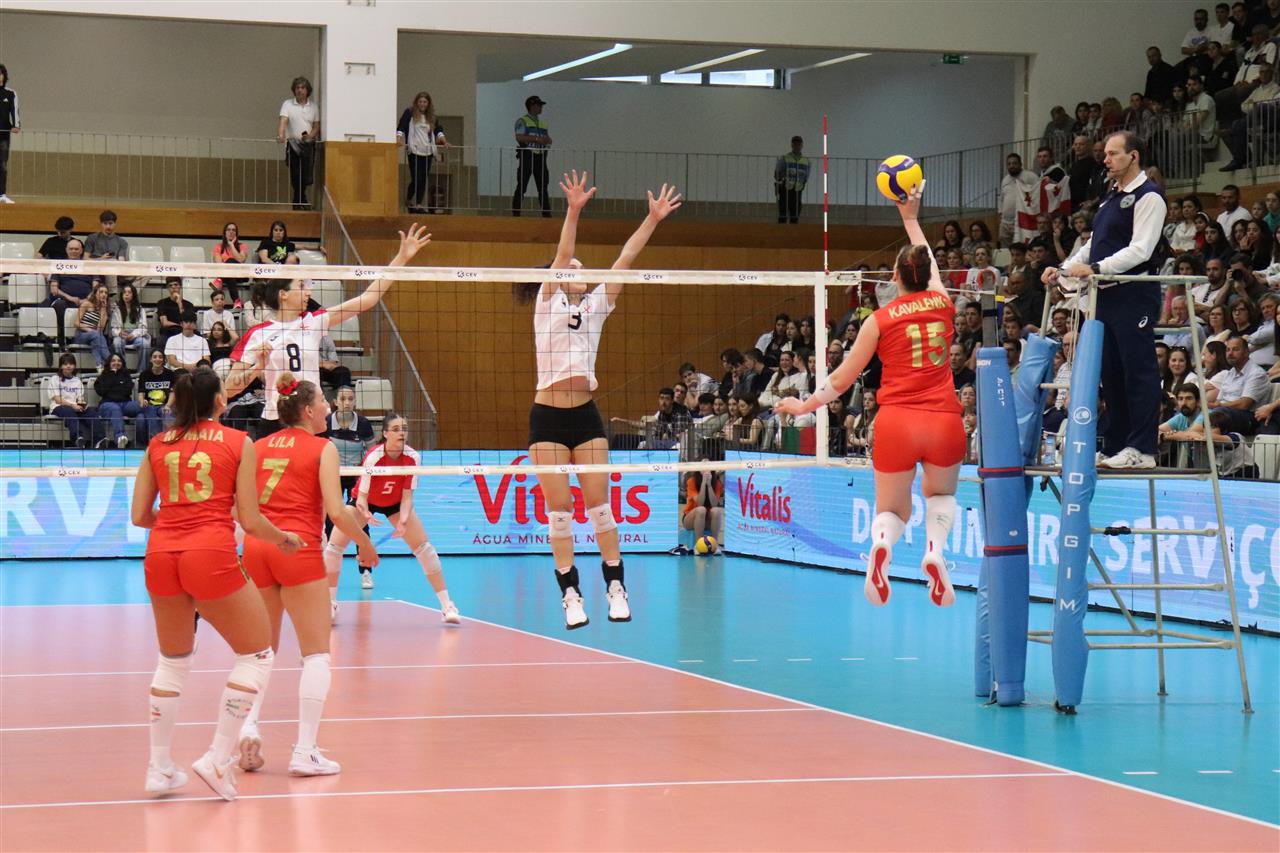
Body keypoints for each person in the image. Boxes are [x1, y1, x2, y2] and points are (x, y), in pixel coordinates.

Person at [776, 182, 964, 609]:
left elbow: (842, 379)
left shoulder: (879, 319)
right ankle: (935, 552)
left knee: (893, 511)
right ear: (926, 276)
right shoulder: (943, 303)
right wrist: (910, 217)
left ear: (894, 278)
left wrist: (805, 405)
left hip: (897, 422)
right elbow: (931, 266)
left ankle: (882, 545)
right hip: (943, 419)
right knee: (941, 496)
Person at [513, 169, 681, 629]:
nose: (579, 271)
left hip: (585, 417)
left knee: (600, 508)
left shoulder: (597, 306)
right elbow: (562, 254)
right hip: (547, 420)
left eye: (582, 268)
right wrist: (572, 211)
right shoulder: (547, 302)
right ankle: (570, 595)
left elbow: (626, 257)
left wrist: (652, 220)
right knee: (560, 514)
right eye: (572, 268)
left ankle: (616, 587)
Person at [129, 367, 302, 801]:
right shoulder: (238, 442)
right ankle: (217, 759)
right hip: (209, 553)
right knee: (257, 655)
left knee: (172, 661)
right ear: (220, 402)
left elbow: (139, 516)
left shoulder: (157, 444)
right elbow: (251, 520)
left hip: (161, 555)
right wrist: (283, 538)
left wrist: (177, 522)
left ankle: (158, 768)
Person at [236, 373, 378, 778]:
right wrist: (364, 544)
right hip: (296, 548)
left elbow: (240, 508)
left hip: (259, 547)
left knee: (261, 651)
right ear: (307, 410)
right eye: (322, 403)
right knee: (316, 654)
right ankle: (305, 751)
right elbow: (336, 512)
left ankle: (248, 726)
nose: (328, 407)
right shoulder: (323, 447)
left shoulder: (258, 445)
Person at [223, 224, 431, 440]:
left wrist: (401, 258)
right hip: (276, 420)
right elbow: (228, 389)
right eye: (301, 286)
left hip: (312, 420)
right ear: (283, 294)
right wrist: (258, 367)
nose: (308, 291)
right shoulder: (257, 334)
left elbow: (368, 299)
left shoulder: (314, 321)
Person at [1043, 131, 1169, 469]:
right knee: (1111, 375)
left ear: (1134, 156)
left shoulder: (1149, 196)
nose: (1106, 159)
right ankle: (1116, 446)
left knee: (1138, 371)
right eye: (1106, 154)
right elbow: (1093, 244)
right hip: (1104, 295)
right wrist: (1064, 269)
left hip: (1133, 293)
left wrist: (1096, 268)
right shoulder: (1110, 196)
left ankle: (1143, 449)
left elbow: (1141, 249)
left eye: (1114, 154)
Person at [323, 412, 458, 622]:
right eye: (395, 429)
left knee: (425, 549)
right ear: (385, 433)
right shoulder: (374, 456)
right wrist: (365, 515)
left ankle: (447, 606)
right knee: (334, 547)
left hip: (395, 503)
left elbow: (407, 496)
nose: (401, 433)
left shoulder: (413, 457)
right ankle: (330, 604)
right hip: (365, 502)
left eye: (404, 429)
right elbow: (362, 497)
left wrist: (403, 521)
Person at [396, 91, 448, 214]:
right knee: (416, 178)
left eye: (425, 102)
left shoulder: (432, 117)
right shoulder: (409, 113)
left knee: (423, 179)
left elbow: (438, 130)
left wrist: (444, 141)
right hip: (414, 151)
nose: (422, 104)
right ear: (416, 102)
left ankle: (419, 204)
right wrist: (398, 138)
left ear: (428, 103)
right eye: (420, 101)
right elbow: (401, 126)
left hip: (427, 152)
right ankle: (409, 199)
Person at [1206, 334, 1269, 433]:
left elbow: (1244, 404)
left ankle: (1206, 438)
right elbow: (1218, 401)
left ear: (1246, 352)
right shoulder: (1230, 373)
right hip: (1223, 412)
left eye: (1235, 349)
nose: (1230, 353)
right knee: (1200, 412)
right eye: (1228, 350)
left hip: (1247, 417)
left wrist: (1218, 406)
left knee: (1218, 414)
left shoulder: (1256, 373)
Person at [45, 238, 100, 346]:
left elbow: (96, 287)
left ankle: (87, 339)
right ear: (66, 250)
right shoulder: (59, 265)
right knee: (59, 305)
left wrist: (87, 299)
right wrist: (70, 298)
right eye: (71, 249)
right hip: (65, 301)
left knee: (98, 304)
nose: (73, 251)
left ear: (81, 251)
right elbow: (54, 289)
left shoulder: (89, 265)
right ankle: (62, 340)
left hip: (86, 301)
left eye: (76, 249)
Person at [278, 77, 320, 210]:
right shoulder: (288, 104)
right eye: (297, 88)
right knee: (296, 174)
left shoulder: (313, 106)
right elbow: (283, 121)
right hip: (293, 145)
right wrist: (281, 134)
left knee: (306, 175)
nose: (299, 90)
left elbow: (316, 126)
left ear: (307, 90)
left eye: (302, 88)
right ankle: (299, 202)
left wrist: (310, 136)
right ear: (294, 90)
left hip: (308, 146)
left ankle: (300, 200)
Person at [44, 353, 101, 448]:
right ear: (61, 366)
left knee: (91, 413)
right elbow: (57, 399)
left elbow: (80, 399)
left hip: (75, 407)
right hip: (59, 407)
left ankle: (100, 440)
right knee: (68, 410)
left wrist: (82, 406)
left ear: (74, 366)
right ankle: (78, 438)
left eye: (71, 364)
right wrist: (72, 405)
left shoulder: (77, 381)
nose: (68, 366)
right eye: (65, 364)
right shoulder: (54, 379)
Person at [512, 95, 551, 217]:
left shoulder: (542, 123)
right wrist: (536, 139)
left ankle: (547, 215)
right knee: (522, 186)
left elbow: (548, 139)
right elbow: (519, 137)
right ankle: (516, 214)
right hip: (527, 156)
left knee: (543, 187)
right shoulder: (522, 121)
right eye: (539, 105)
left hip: (541, 157)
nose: (541, 107)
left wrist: (547, 140)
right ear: (532, 106)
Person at [94, 353, 140, 449]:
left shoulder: (126, 375)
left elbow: (127, 391)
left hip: (125, 404)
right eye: (113, 361)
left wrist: (112, 391)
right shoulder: (103, 376)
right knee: (115, 408)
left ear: (122, 363)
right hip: (107, 405)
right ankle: (120, 437)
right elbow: (101, 391)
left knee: (142, 406)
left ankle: (145, 440)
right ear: (109, 363)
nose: (116, 363)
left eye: (119, 361)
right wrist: (112, 375)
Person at [136, 350, 176, 445]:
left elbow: (173, 393)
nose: (157, 359)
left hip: (164, 405)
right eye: (154, 357)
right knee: (150, 412)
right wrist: (142, 400)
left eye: (160, 357)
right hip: (149, 405)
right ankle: (156, 442)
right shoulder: (144, 374)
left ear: (164, 359)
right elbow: (141, 393)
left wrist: (168, 405)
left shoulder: (170, 374)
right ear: (150, 359)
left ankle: (170, 441)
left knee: (168, 414)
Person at [111, 282, 151, 369]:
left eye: (129, 292)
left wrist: (133, 334)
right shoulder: (117, 309)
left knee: (145, 344)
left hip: (136, 335)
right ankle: (122, 369)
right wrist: (119, 333)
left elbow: (144, 328)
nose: (126, 294)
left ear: (133, 295)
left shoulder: (140, 309)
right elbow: (113, 328)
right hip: (122, 335)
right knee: (116, 342)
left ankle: (141, 371)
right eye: (124, 292)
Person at [681, 470, 724, 547]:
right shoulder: (691, 481)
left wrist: (709, 485)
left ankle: (714, 545)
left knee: (716, 511)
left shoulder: (717, 483)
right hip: (691, 518)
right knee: (701, 510)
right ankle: (699, 545)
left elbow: (714, 504)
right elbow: (699, 503)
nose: (706, 470)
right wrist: (703, 483)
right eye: (703, 467)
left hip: (707, 519)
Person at [73, 283, 112, 366]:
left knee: (96, 342)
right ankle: (110, 361)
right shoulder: (86, 304)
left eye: (106, 293)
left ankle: (100, 366)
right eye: (101, 292)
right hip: (81, 335)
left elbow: (99, 330)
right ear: (95, 293)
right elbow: (76, 323)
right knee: (97, 335)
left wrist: (103, 310)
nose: (104, 294)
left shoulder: (105, 310)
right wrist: (89, 329)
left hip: (95, 336)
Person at [774, 135, 810, 224]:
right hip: (785, 189)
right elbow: (776, 173)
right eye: (795, 144)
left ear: (802, 145)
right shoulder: (784, 158)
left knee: (795, 216)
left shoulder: (807, 161)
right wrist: (782, 179)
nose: (797, 146)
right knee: (782, 215)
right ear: (792, 145)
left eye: (798, 144)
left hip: (798, 190)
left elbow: (806, 176)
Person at [212, 223, 248, 307]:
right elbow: (218, 263)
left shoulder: (242, 246)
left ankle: (219, 280)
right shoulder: (218, 247)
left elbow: (241, 260)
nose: (231, 232)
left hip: (240, 275)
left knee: (230, 260)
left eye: (233, 230)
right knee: (230, 275)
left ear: (236, 233)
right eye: (228, 230)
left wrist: (231, 245)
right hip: (226, 275)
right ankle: (236, 301)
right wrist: (227, 270)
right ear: (224, 233)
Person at [155, 278, 196, 351]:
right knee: (161, 340)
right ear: (168, 288)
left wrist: (180, 304)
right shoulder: (162, 303)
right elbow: (164, 323)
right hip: (168, 332)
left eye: (176, 285)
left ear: (180, 286)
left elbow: (189, 321)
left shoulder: (189, 304)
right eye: (170, 285)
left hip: (185, 332)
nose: (173, 287)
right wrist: (179, 325)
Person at [0, 64, 16, 203]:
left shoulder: (10, 94)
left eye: (0, 73)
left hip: (4, 135)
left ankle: (1, 194)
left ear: (4, 76)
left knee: (3, 165)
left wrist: (16, 125)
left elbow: (14, 111)